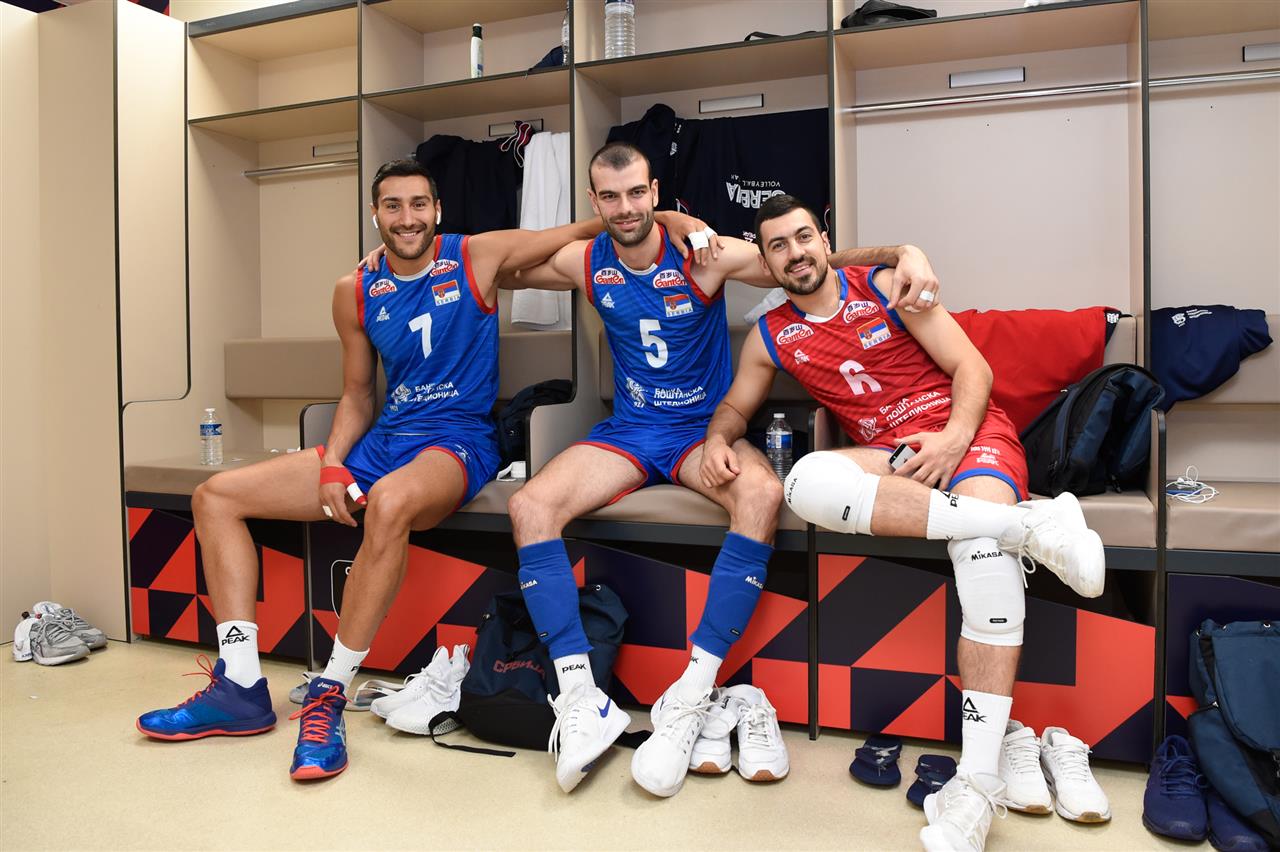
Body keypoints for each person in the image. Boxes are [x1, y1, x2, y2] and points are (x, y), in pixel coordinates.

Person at [135, 158, 711, 782]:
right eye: (392, 206)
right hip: (383, 441)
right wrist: (333, 464)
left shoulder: (475, 256)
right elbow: (358, 394)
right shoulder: (354, 289)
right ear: (375, 214)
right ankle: (241, 685)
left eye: (418, 204)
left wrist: (674, 218)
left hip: (457, 444)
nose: (407, 218)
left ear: (437, 210)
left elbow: (586, 228)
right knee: (215, 496)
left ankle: (328, 695)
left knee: (387, 502)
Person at [497, 142, 944, 796]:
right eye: (610, 197)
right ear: (595, 201)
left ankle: (694, 688)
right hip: (629, 433)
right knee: (529, 506)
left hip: (698, 436)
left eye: (637, 194)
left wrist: (903, 253)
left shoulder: (701, 255)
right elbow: (506, 269)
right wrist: (396, 262)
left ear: (655, 193)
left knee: (760, 493)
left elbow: (804, 263)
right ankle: (581, 698)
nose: (626, 207)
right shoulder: (586, 260)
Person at [705, 194, 1106, 852]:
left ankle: (977, 785)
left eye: (803, 237)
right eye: (777, 246)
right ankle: (1031, 528)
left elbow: (972, 367)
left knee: (982, 555)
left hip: (966, 437)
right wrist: (718, 437)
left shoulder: (888, 284)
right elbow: (733, 406)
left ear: (825, 240)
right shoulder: (773, 334)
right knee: (803, 481)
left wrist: (952, 440)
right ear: (766, 263)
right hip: (892, 454)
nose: (795, 253)